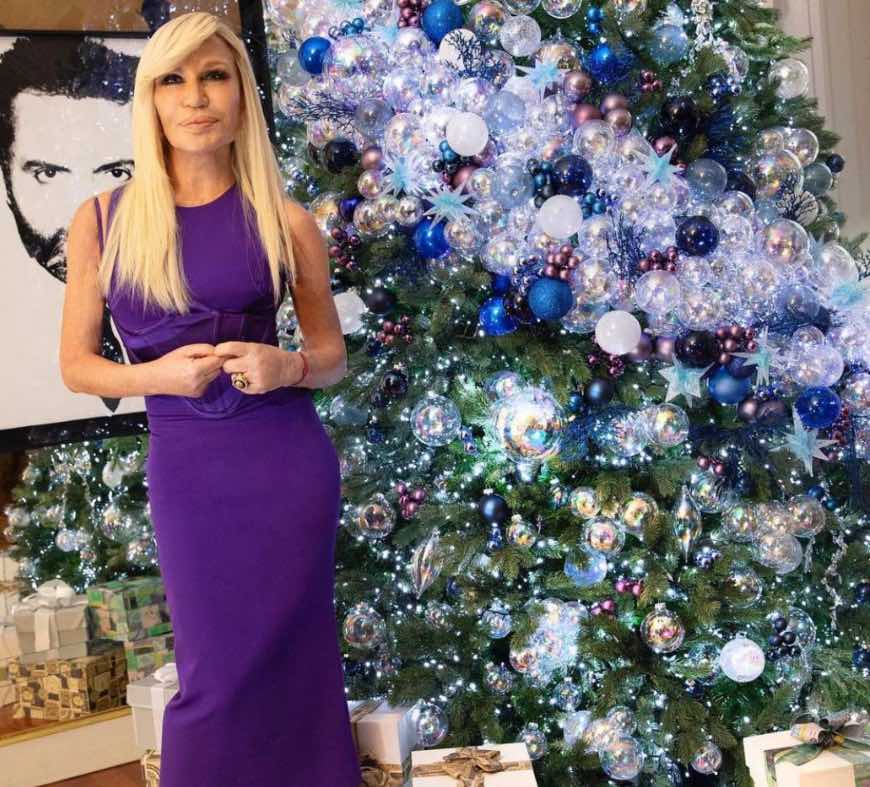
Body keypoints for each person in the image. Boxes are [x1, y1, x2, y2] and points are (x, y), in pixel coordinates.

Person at [59, 12, 362, 787]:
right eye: (174, 79)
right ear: (151, 99)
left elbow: (331, 357)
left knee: (298, 662)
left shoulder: (287, 222)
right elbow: (78, 368)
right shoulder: (101, 220)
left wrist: (287, 364)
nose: (195, 97)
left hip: (285, 462)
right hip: (190, 469)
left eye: (214, 76)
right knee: (213, 674)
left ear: (240, 95)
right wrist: (159, 376)